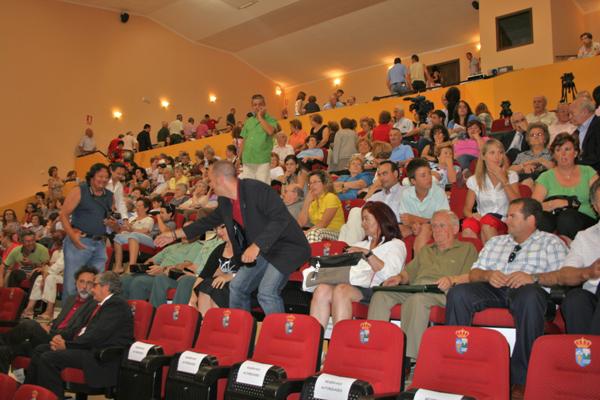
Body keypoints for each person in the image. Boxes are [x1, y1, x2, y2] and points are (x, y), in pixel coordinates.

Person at [445, 198, 568, 395]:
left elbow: (563, 277)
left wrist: (533, 278)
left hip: (532, 291)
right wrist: (488, 275)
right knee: (459, 293)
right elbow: (474, 273)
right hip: (496, 289)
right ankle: (456, 365)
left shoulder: (551, 243)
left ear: (531, 220)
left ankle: (522, 379)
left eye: (512, 216)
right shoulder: (496, 241)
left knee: (529, 296)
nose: (506, 220)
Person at [155, 160, 310, 315]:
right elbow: (206, 222)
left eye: (211, 181)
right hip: (263, 249)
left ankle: (278, 331)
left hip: (286, 247)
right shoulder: (225, 201)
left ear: (220, 180)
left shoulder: (256, 189)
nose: (211, 186)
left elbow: (280, 219)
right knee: (237, 287)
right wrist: (174, 234)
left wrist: (256, 246)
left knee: (266, 292)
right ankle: (242, 326)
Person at [368, 210, 478, 362]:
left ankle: (408, 359)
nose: (436, 230)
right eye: (434, 226)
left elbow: (472, 276)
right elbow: (409, 272)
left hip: (443, 291)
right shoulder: (426, 249)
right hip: (417, 288)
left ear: (455, 228)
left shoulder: (467, 249)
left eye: (441, 226)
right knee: (381, 295)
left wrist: (452, 279)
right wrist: (399, 277)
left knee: (417, 300)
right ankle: (375, 350)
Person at [25, 271, 133, 399]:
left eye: (94, 285)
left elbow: (95, 336)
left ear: (106, 287)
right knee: (40, 349)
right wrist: (62, 339)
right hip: (87, 348)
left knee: (48, 358)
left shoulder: (116, 305)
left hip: (100, 356)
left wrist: (67, 345)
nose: (91, 289)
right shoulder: (102, 304)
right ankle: (29, 394)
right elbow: (82, 331)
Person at [310, 202, 406, 328]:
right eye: (362, 220)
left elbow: (391, 276)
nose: (362, 224)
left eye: (366, 219)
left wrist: (368, 254)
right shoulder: (360, 245)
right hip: (354, 284)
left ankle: (340, 339)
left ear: (380, 219)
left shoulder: (396, 244)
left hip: (378, 290)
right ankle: (316, 338)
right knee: (321, 289)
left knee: (341, 290)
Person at [0, 266, 97, 374]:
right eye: (82, 282)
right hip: (49, 337)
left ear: (95, 285)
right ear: (76, 283)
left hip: (62, 342)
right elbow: (58, 321)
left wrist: (49, 330)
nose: (84, 286)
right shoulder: (71, 299)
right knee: (4, 350)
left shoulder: (94, 305)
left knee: (29, 325)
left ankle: (1, 340)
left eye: (89, 283)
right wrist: (49, 325)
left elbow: (74, 331)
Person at [59, 163, 113, 298]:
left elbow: (110, 220)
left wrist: (113, 224)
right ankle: (69, 312)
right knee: (72, 284)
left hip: (100, 244)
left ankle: (90, 311)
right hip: (80, 242)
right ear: (92, 177)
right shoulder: (79, 190)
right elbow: (63, 214)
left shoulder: (109, 195)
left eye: (106, 177)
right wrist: (72, 237)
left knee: (96, 285)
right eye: (100, 176)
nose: (103, 180)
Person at [532, 133, 598, 240]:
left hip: (586, 220)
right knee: (541, 219)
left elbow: (598, 198)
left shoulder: (588, 172)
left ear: (575, 153)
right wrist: (553, 203)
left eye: (567, 149)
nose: (563, 154)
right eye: (558, 150)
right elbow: (533, 207)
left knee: (567, 216)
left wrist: (569, 203)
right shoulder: (545, 176)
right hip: (555, 218)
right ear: (554, 155)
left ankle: (567, 247)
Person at [556, 179, 600, 334]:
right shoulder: (585, 237)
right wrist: (588, 272)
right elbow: (564, 275)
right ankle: (584, 349)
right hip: (594, 300)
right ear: (595, 207)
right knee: (575, 298)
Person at [463, 139, 520, 243]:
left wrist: (503, 180)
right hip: (482, 218)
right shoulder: (474, 180)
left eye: (500, 152)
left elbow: (517, 204)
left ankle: (493, 253)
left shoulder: (511, 176)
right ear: (483, 156)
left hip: (504, 220)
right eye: (492, 153)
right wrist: (473, 216)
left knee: (487, 222)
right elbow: (466, 210)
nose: (497, 157)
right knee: (468, 225)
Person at [398, 158, 449, 252]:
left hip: (435, 228)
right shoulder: (406, 194)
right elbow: (405, 219)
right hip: (414, 226)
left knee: (424, 228)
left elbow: (443, 221)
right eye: (423, 175)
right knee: (396, 229)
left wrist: (415, 219)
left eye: (429, 173)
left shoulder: (439, 193)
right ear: (413, 181)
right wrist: (413, 225)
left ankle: (418, 261)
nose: (429, 178)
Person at [189, 224, 240, 316]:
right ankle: (204, 321)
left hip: (242, 288)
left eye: (222, 227)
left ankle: (213, 322)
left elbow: (253, 273)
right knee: (206, 284)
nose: (218, 232)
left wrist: (230, 276)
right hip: (221, 287)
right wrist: (192, 291)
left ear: (235, 226)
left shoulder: (245, 247)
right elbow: (205, 274)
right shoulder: (220, 249)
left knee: (216, 288)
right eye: (216, 228)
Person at [20, 231, 66, 320]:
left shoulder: (68, 249)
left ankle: (49, 310)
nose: (57, 243)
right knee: (39, 278)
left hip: (69, 277)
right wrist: (43, 271)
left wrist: (45, 275)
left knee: (50, 278)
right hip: (58, 275)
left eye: (58, 240)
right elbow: (51, 266)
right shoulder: (56, 252)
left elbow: (59, 266)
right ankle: (30, 308)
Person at [297, 170, 345, 243]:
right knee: (295, 235)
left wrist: (306, 233)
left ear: (324, 183)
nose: (312, 185)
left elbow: (323, 224)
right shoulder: (313, 203)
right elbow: (301, 223)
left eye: (315, 182)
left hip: (337, 233)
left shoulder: (331, 197)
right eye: (310, 183)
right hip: (319, 232)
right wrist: (307, 201)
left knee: (313, 233)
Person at [239, 94, 278, 184]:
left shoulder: (271, 119)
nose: (257, 107)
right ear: (252, 107)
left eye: (260, 104)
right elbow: (244, 140)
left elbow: (270, 131)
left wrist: (260, 117)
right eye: (255, 105)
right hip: (247, 159)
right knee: (249, 186)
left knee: (263, 186)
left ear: (264, 105)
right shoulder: (248, 121)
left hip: (262, 159)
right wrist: (239, 157)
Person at [509, 123, 554, 188]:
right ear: (529, 140)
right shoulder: (522, 155)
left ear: (545, 138)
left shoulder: (552, 153)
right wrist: (523, 167)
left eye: (539, 134)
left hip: (544, 184)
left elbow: (557, 169)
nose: (536, 137)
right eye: (532, 135)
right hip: (522, 182)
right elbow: (510, 170)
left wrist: (541, 161)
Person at [571, 97, 600, 171]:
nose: (570, 117)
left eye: (572, 113)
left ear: (584, 112)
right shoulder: (576, 131)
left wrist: (573, 164)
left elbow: (597, 156)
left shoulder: (598, 125)